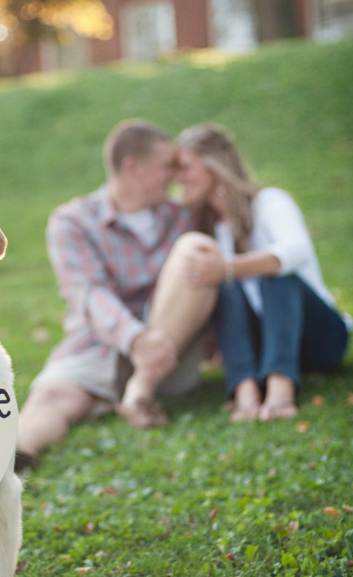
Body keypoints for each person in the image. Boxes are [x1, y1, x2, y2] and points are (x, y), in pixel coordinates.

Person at [15, 119, 220, 468]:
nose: (172, 175)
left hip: (172, 346)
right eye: (164, 167)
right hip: (101, 342)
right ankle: (13, 457)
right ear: (132, 168)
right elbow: (88, 293)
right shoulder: (73, 220)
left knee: (195, 249)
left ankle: (141, 389)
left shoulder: (184, 215)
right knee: (51, 396)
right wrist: (136, 340)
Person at [175, 123, 351, 422]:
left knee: (273, 273)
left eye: (185, 167)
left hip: (319, 337)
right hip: (263, 343)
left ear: (213, 166)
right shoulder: (207, 228)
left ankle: (280, 389)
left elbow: (295, 251)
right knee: (224, 285)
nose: (178, 177)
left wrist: (228, 268)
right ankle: (246, 390)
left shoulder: (270, 202)